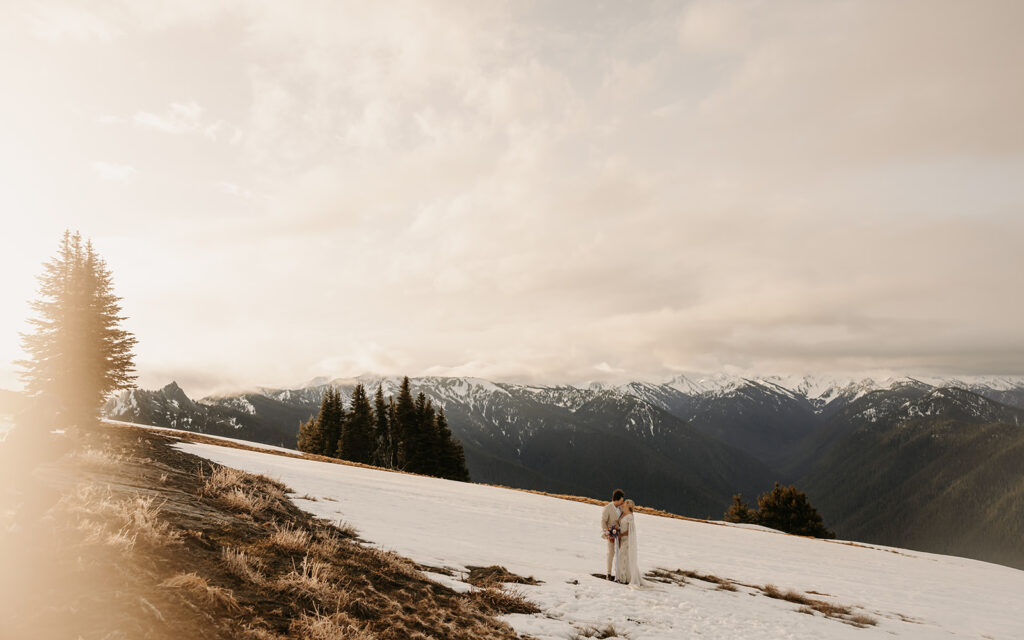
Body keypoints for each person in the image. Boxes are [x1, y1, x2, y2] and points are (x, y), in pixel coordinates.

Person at [615, 499, 646, 587]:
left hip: (627, 539)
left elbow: (630, 530)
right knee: (621, 557)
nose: (623, 503)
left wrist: (621, 534)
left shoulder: (630, 516)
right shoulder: (622, 513)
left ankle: (624, 578)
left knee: (623, 557)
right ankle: (621, 576)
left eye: (624, 503)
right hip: (621, 538)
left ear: (628, 505)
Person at [601, 489, 625, 580]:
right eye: (621, 500)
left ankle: (618, 573)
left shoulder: (621, 508)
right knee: (611, 553)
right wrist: (606, 532)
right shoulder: (607, 508)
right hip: (611, 535)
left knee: (620, 554)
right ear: (617, 499)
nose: (622, 502)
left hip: (620, 536)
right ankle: (608, 573)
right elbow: (603, 521)